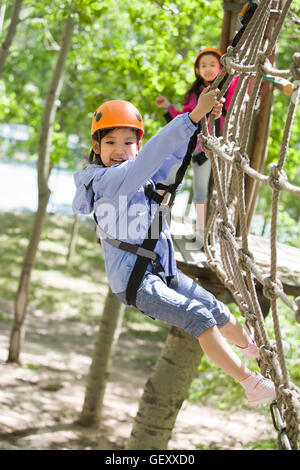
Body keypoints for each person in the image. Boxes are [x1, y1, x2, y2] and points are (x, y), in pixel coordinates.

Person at [72, 96, 277, 406]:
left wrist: (201, 123)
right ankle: (250, 384)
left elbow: (171, 155)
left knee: (216, 308)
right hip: (136, 283)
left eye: (128, 142)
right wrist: (192, 116)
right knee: (200, 317)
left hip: (162, 272)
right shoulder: (106, 182)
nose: (119, 149)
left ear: (137, 146)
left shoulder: (140, 175)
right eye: (110, 141)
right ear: (96, 147)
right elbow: (151, 156)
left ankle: (252, 349)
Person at [155, 48, 239, 249]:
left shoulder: (226, 88)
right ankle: (156, 227)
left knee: (201, 193)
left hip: (206, 149)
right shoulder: (193, 93)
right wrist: (167, 107)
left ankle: (201, 236)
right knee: (167, 183)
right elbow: (182, 119)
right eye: (204, 65)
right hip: (185, 146)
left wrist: (235, 61)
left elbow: (238, 79)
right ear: (197, 70)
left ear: (221, 67)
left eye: (213, 64)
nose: (208, 68)